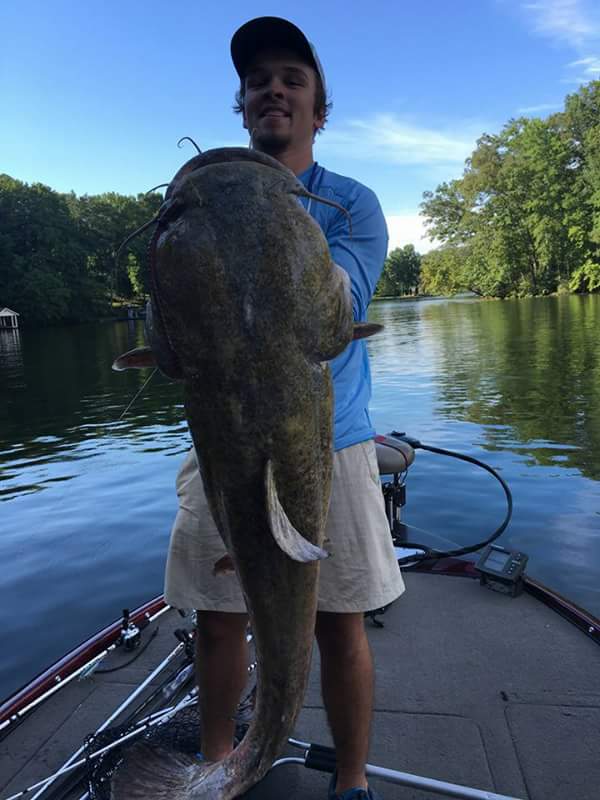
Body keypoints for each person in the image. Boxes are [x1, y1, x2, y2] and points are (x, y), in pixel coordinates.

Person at [164, 16, 405, 800]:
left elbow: (336, 311)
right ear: (240, 104)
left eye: (292, 79)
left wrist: (266, 207)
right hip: (224, 448)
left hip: (330, 446)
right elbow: (174, 336)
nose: (274, 87)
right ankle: (216, 767)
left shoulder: (351, 205)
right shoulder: (201, 205)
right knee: (217, 615)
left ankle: (354, 782)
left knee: (341, 622)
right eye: (259, 80)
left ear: (317, 110)